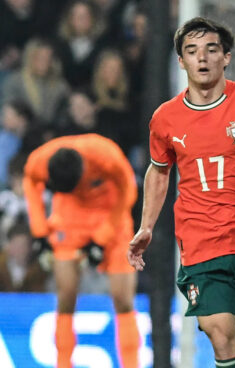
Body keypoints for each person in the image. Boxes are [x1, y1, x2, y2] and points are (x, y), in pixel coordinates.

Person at [127, 17, 235, 368]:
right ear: (181, 61)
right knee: (220, 334)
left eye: (211, 49)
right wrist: (146, 225)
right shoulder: (165, 118)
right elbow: (159, 171)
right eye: (192, 51)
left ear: (226, 57)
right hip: (201, 243)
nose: (202, 58)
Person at [23, 133, 140, 368]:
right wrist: (39, 232)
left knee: (123, 299)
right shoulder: (40, 160)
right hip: (69, 218)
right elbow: (29, 182)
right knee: (65, 296)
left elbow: (128, 190)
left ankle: (131, 364)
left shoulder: (105, 154)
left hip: (112, 215)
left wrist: (102, 237)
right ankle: (63, 363)